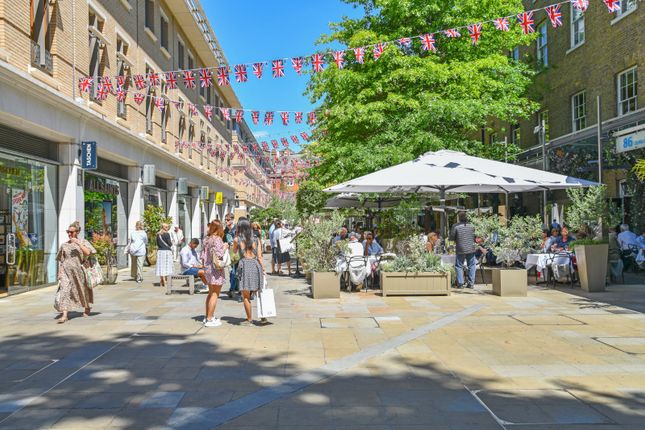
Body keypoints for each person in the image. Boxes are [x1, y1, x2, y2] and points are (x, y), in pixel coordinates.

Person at [54, 221, 97, 323]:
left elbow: (88, 252)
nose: (69, 234)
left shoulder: (83, 242)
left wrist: (78, 243)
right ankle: (65, 315)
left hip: (79, 271)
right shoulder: (64, 245)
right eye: (68, 232)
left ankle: (87, 306)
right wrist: (60, 272)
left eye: (71, 232)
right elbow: (62, 259)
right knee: (65, 290)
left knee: (82, 290)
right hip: (65, 271)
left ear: (77, 232)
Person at [232, 219, 265, 326]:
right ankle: (264, 316)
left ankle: (249, 319)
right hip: (255, 265)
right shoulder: (256, 239)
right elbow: (260, 256)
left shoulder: (237, 239)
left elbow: (234, 252)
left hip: (244, 266)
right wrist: (263, 269)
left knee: (245, 295)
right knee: (259, 292)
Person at [201, 220, 228, 327]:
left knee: (210, 293)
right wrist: (225, 247)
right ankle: (210, 318)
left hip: (207, 268)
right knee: (215, 294)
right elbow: (219, 254)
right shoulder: (217, 239)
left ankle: (207, 315)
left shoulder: (206, 239)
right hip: (215, 269)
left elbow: (202, 255)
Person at [449, 212, 476, 289]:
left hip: (460, 248)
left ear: (459, 218)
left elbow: (451, 238)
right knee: (471, 265)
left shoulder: (456, 226)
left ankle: (460, 283)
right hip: (471, 248)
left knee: (459, 266)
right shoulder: (472, 226)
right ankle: (471, 283)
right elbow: (476, 236)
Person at [224, 213, 238, 298]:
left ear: (232, 220)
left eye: (228, 220)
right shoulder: (225, 230)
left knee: (234, 272)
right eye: (225, 219)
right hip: (229, 254)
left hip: (236, 254)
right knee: (231, 272)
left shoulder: (236, 229)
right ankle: (234, 287)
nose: (226, 221)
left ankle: (232, 289)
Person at [155, 223, 174, 288]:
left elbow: (157, 243)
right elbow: (170, 244)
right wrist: (172, 242)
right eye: (166, 227)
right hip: (166, 252)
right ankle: (165, 280)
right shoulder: (167, 234)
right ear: (163, 227)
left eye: (168, 227)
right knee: (166, 266)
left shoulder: (158, 234)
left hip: (160, 252)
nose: (167, 228)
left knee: (161, 266)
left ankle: (161, 281)